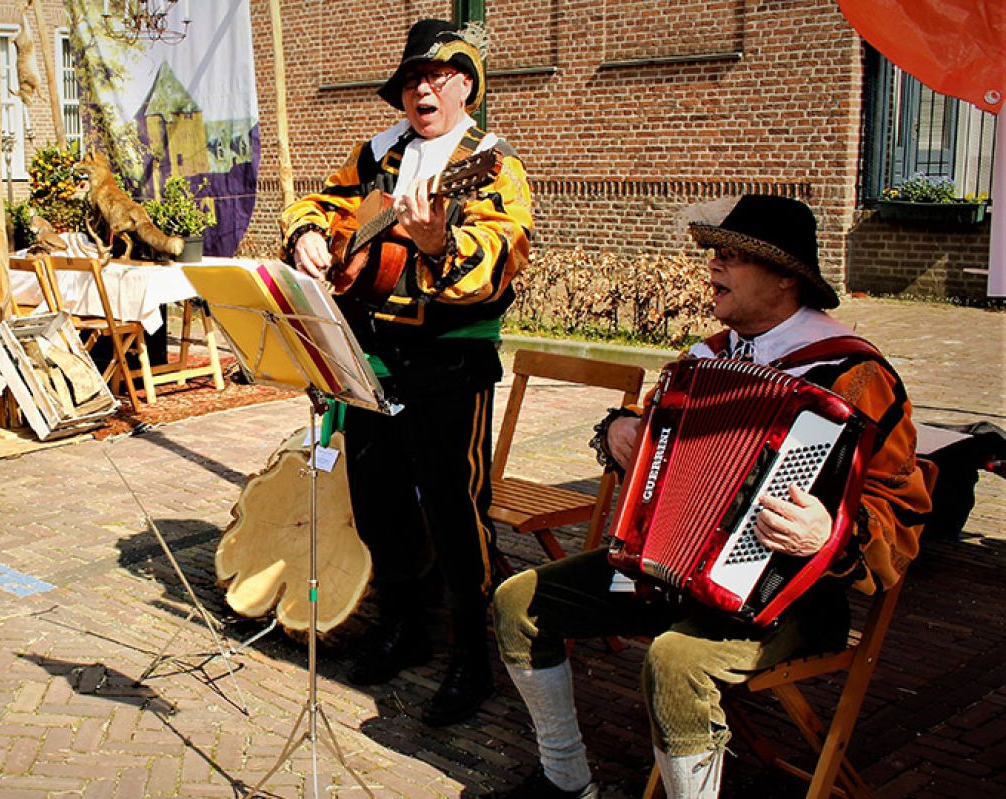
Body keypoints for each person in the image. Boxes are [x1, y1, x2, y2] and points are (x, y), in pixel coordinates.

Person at [486, 195, 932, 798]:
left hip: (794, 595)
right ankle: (566, 782)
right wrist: (618, 429)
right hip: (665, 572)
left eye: (732, 257)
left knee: (674, 662)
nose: (713, 268)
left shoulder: (852, 375)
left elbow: (903, 509)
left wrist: (829, 535)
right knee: (519, 603)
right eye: (714, 254)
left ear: (784, 276)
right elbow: (651, 445)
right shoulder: (705, 359)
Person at [282, 18, 533, 726]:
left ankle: (471, 650)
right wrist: (306, 233)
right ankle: (402, 622)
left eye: (435, 77)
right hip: (371, 354)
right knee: (378, 495)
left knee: (455, 509)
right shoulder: (377, 151)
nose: (421, 89)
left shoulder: (492, 161)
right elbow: (320, 204)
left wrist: (438, 240)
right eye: (411, 80)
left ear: (464, 84)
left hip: (450, 359)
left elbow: (498, 254)